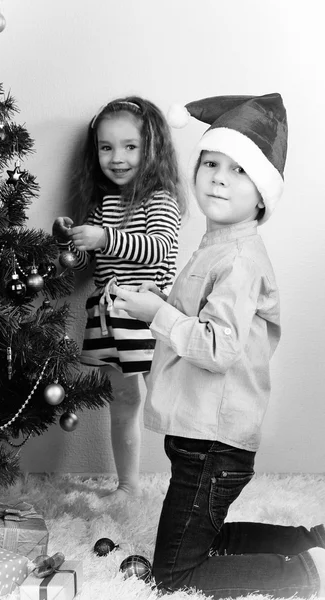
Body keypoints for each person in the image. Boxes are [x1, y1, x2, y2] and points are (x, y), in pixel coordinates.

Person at [112, 93, 325, 597]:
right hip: (201, 436)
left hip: (214, 443)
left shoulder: (241, 259)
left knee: (175, 575)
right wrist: (160, 300)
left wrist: (156, 314)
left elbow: (217, 348)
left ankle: (302, 575)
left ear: (262, 196)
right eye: (210, 162)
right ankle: (307, 542)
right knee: (208, 536)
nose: (219, 177)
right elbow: (202, 316)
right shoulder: (218, 245)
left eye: (239, 170)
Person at [53, 96, 185, 503]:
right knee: (124, 400)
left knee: (168, 403)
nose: (118, 157)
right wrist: (72, 236)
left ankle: (186, 484)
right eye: (106, 147)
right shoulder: (105, 203)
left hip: (146, 315)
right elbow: (95, 259)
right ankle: (127, 485)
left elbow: (158, 248)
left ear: (151, 150)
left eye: (130, 146)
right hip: (110, 316)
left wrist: (105, 236)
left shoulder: (160, 200)